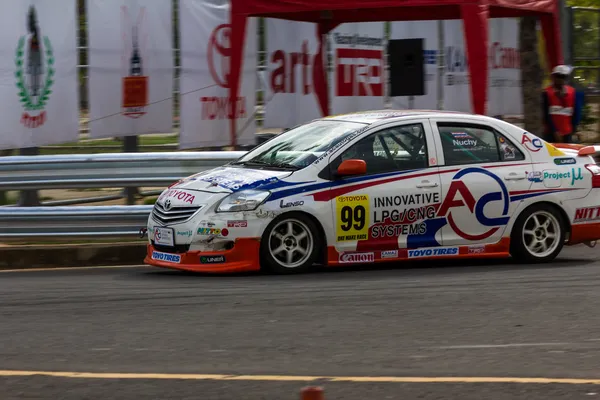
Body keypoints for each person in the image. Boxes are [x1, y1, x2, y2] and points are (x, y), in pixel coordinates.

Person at [542, 65, 584, 143]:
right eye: (558, 76)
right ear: (553, 77)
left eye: (563, 77)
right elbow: (545, 115)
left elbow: (575, 112)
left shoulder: (572, 92)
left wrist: (575, 129)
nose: (560, 79)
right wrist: (555, 131)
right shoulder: (547, 92)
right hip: (550, 133)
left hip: (567, 133)